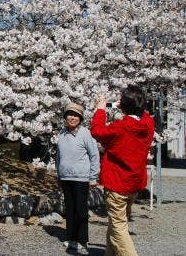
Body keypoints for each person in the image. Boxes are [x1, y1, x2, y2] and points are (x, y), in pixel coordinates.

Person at [91, 85, 155, 256]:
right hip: (134, 182)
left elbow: (97, 131)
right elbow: (144, 115)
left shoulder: (120, 127)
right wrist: (130, 106)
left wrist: (100, 110)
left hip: (117, 182)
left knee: (119, 227)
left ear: (124, 106)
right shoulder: (148, 124)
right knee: (117, 223)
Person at [56, 102, 100, 255]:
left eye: (75, 115)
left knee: (80, 210)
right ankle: (71, 238)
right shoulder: (62, 133)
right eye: (69, 114)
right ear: (65, 117)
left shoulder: (85, 133)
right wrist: (58, 175)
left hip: (81, 178)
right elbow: (58, 156)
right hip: (66, 177)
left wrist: (93, 176)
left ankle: (82, 240)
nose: (72, 117)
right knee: (69, 209)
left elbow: (94, 155)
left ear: (80, 118)